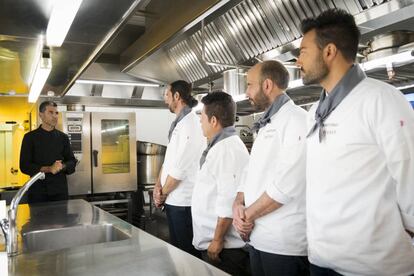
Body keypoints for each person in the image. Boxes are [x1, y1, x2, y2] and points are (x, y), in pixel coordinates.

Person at [296, 9, 414, 276]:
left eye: (303, 51)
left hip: (372, 265)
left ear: (329, 52)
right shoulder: (315, 111)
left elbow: (409, 174)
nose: (297, 60)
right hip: (322, 258)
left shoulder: (381, 98)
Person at [232, 60, 308, 276]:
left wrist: (246, 216)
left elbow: (287, 184)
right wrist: (238, 202)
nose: (247, 92)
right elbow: (251, 172)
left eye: (249, 85)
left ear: (267, 85)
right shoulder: (266, 124)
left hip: (285, 243)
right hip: (258, 237)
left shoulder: (298, 120)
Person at [192, 91, 250, 275]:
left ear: (214, 121)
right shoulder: (220, 146)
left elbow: (228, 201)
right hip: (215, 242)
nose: (200, 122)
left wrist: (217, 240)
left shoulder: (227, 149)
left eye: (202, 118)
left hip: (225, 249)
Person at [153, 80, 205, 257]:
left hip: (184, 203)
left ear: (177, 96)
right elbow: (169, 160)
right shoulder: (178, 124)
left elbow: (180, 169)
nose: (165, 100)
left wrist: (163, 193)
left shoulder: (191, 124)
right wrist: (157, 186)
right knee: (177, 253)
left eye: (167, 95)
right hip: (172, 199)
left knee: (187, 255)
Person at [20, 101, 77, 204]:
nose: (55, 116)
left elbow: (72, 161)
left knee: (61, 220)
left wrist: (62, 166)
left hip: (60, 192)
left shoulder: (63, 137)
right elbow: (24, 166)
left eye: (56, 113)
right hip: (38, 192)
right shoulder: (30, 138)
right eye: (50, 112)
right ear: (41, 115)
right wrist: (49, 169)